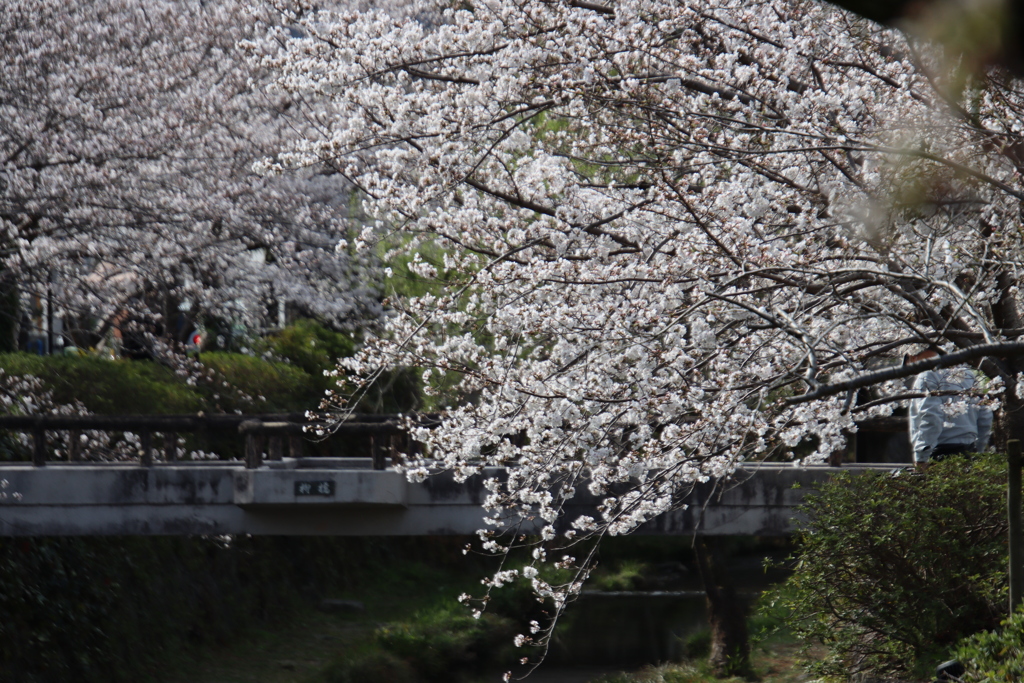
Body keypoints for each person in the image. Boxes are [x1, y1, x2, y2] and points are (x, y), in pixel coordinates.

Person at [906, 348, 993, 464]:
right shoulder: (968, 375)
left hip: (940, 450)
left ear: (913, 357)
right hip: (969, 449)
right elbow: (985, 415)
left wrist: (921, 457)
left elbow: (930, 418)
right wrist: (980, 449)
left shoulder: (926, 376)